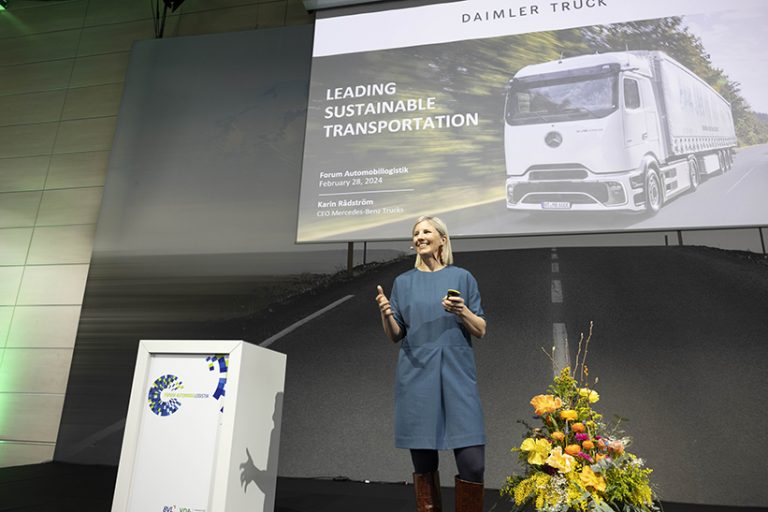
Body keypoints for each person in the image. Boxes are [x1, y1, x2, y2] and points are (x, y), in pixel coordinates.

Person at [375, 215, 487, 512]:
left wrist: (462, 311)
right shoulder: (403, 282)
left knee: (473, 465)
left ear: (442, 240)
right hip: (417, 376)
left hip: (457, 374)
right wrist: (387, 313)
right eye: (415, 233)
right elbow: (396, 335)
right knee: (424, 467)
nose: (419, 237)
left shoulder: (463, 277)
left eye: (426, 231)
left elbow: (481, 328)